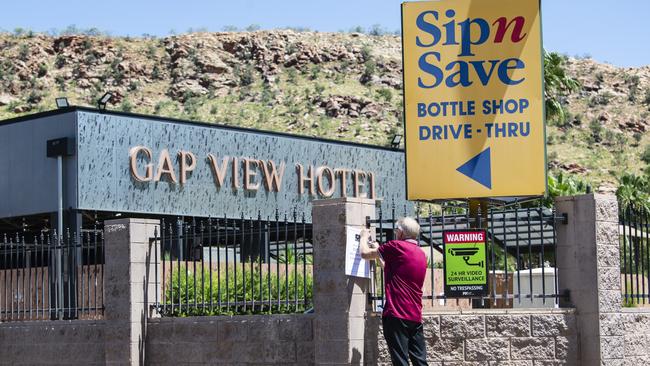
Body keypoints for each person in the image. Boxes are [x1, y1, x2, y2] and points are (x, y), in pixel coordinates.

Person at [359, 217, 428, 366]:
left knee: (400, 361)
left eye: (397, 230)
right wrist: (380, 251)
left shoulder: (396, 246)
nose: (396, 232)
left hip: (396, 314)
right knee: (420, 361)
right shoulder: (422, 254)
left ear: (401, 233)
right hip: (415, 316)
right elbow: (391, 269)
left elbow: (364, 253)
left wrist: (363, 237)